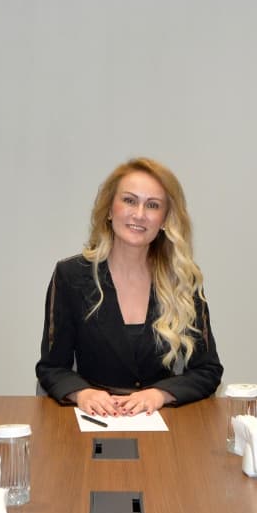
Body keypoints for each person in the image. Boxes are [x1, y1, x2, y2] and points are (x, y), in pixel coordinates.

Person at [37, 157, 223, 416]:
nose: (139, 214)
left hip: (160, 421)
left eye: (153, 205)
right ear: (109, 210)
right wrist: (82, 393)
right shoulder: (70, 275)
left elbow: (208, 370)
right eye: (129, 200)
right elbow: (52, 367)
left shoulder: (182, 279)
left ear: (165, 219)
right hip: (93, 420)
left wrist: (160, 394)